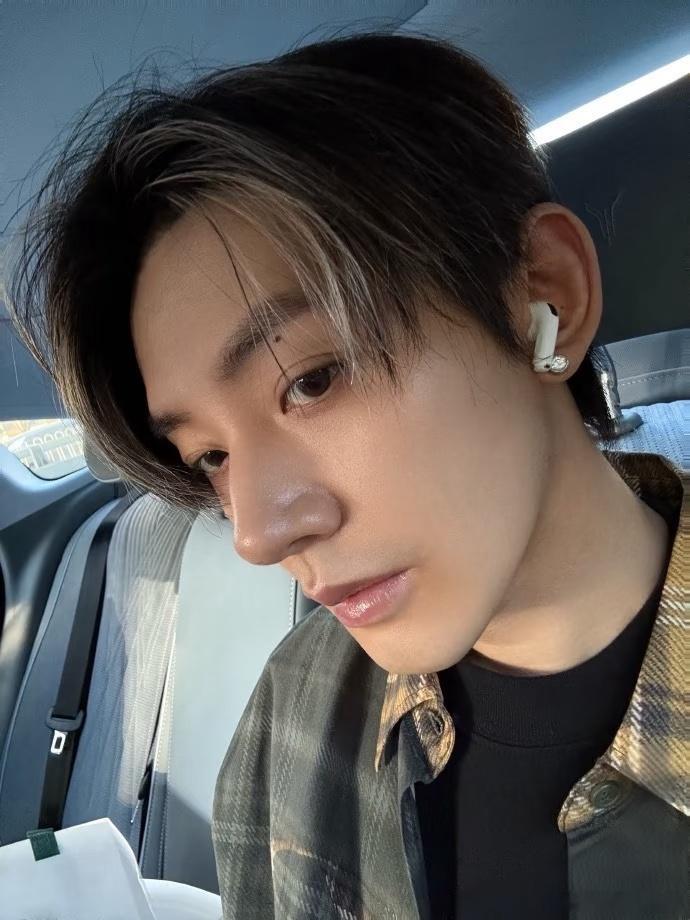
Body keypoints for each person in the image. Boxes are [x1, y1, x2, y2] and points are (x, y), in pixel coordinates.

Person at [7, 30, 688, 920]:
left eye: (313, 379)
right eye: (210, 456)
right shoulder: (292, 712)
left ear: (543, 296)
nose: (258, 534)